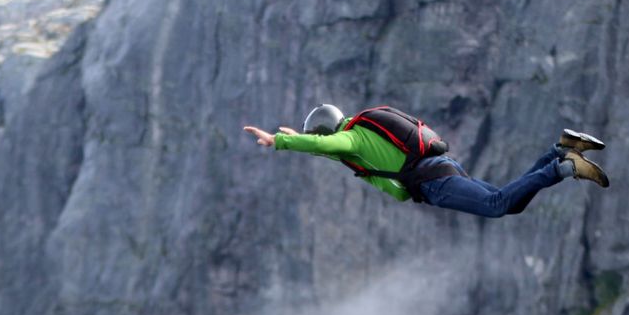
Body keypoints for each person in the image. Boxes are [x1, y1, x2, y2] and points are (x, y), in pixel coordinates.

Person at [243, 103, 608, 218]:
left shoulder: (350, 138)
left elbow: (327, 147)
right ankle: (560, 150)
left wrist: (279, 142)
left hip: (434, 182)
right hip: (446, 167)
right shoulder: (361, 131)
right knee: (507, 204)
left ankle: (564, 167)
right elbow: (331, 148)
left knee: (498, 205)